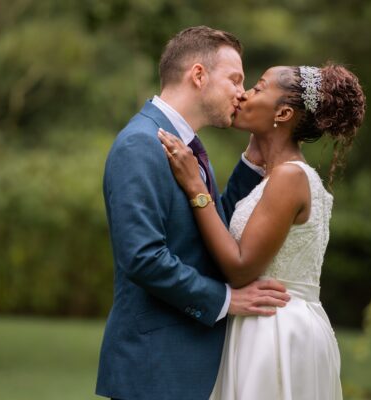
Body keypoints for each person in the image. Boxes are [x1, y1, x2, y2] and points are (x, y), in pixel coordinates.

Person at [95, 26, 292, 400]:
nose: (241, 92)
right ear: (198, 75)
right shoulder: (140, 144)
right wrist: (225, 300)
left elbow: (210, 227)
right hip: (155, 369)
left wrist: (252, 162)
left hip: (187, 365)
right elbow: (143, 258)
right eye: (235, 79)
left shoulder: (186, 146)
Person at [158, 63, 366, 400]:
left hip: (277, 332)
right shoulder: (276, 176)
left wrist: (196, 186)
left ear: (282, 113)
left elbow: (240, 268)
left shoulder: (290, 178)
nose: (244, 94)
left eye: (258, 87)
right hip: (261, 322)